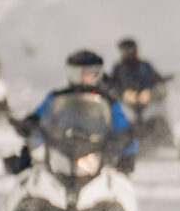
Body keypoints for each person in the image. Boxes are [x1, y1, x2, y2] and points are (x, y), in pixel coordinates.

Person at [7, 49, 137, 174]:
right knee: (32, 154)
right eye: (77, 72)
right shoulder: (57, 97)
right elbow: (40, 114)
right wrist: (28, 124)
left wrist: (124, 140)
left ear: (97, 74)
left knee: (118, 179)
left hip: (95, 152)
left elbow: (122, 125)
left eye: (88, 73)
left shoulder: (108, 101)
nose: (82, 77)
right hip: (59, 149)